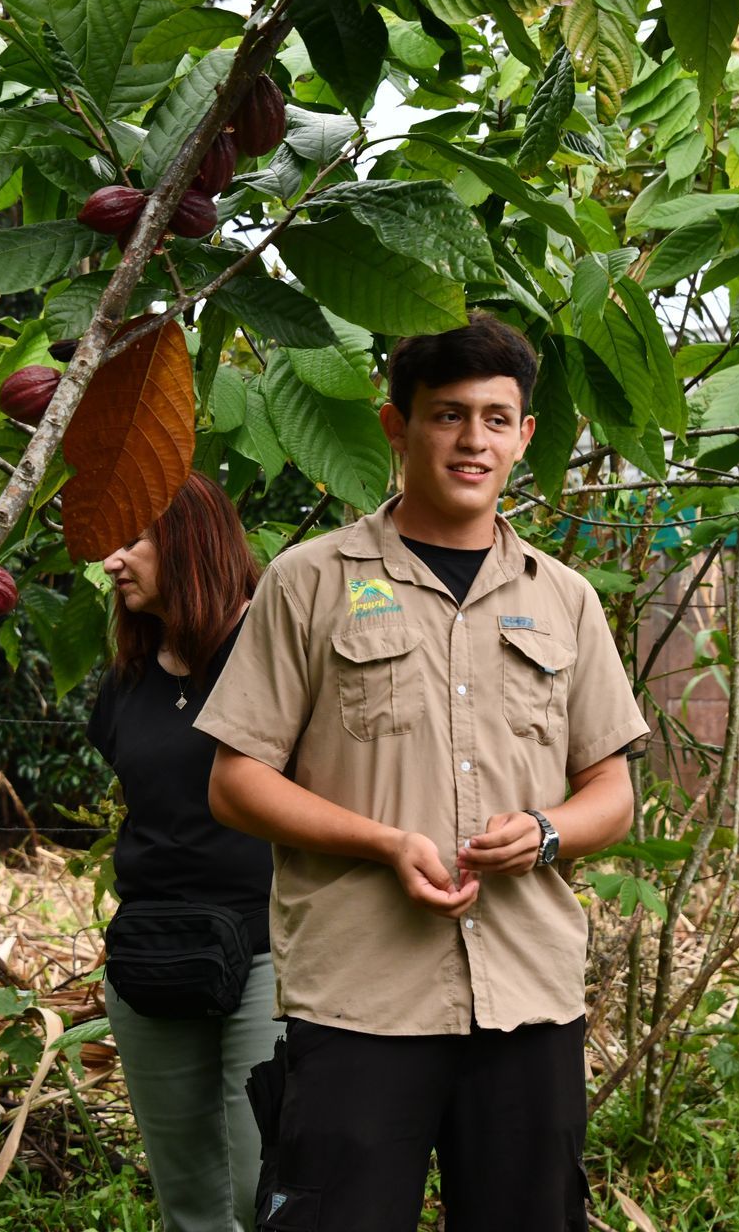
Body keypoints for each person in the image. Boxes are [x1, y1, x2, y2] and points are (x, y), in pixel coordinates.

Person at [194, 314, 648, 1232]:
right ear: (397, 427)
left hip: (529, 1001)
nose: (471, 440)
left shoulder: (565, 599)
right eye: (447, 415)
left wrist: (549, 832)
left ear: (525, 436)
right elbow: (236, 781)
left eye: (495, 417)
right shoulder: (309, 581)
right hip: (361, 1000)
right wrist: (384, 843)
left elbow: (613, 792)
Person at [86, 471, 283, 1232]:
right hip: (153, 953)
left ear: (189, 543)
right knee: (191, 1207)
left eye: (132, 540)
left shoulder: (276, 655)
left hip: (268, 953)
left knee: (260, 1194)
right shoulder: (128, 681)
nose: (112, 561)